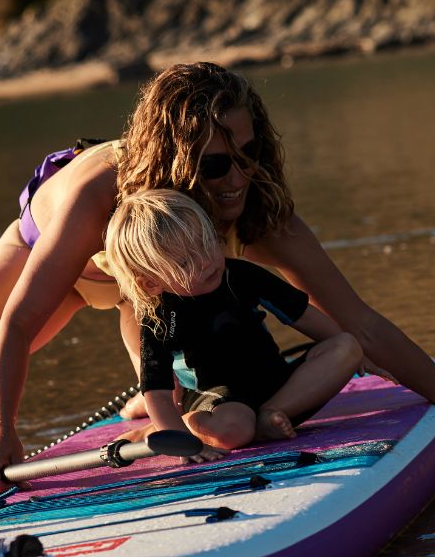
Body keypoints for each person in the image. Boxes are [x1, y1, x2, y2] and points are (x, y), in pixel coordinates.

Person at [0, 62, 435, 506]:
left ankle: (171, 410)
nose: (237, 178)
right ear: (175, 159)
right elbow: (19, 323)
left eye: (250, 155)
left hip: (157, 284)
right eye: (216, 163)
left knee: (177, 365)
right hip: (76, 259)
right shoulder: (96, 196)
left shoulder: (253, 207)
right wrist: (2, 435)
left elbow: (361, 325)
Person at [105, 189, 364, 452]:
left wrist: (354, 358)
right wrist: (188, 446)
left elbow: (304, 315)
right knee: (233, 430)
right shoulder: (160, 318)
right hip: (220, 400)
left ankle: (270, 416)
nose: (206, 261)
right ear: (151, 282)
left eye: (206, 244)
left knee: (346, 346)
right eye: (185, 262)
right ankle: (176, 427)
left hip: (279, 385)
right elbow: (157, 394)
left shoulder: (239, 275)